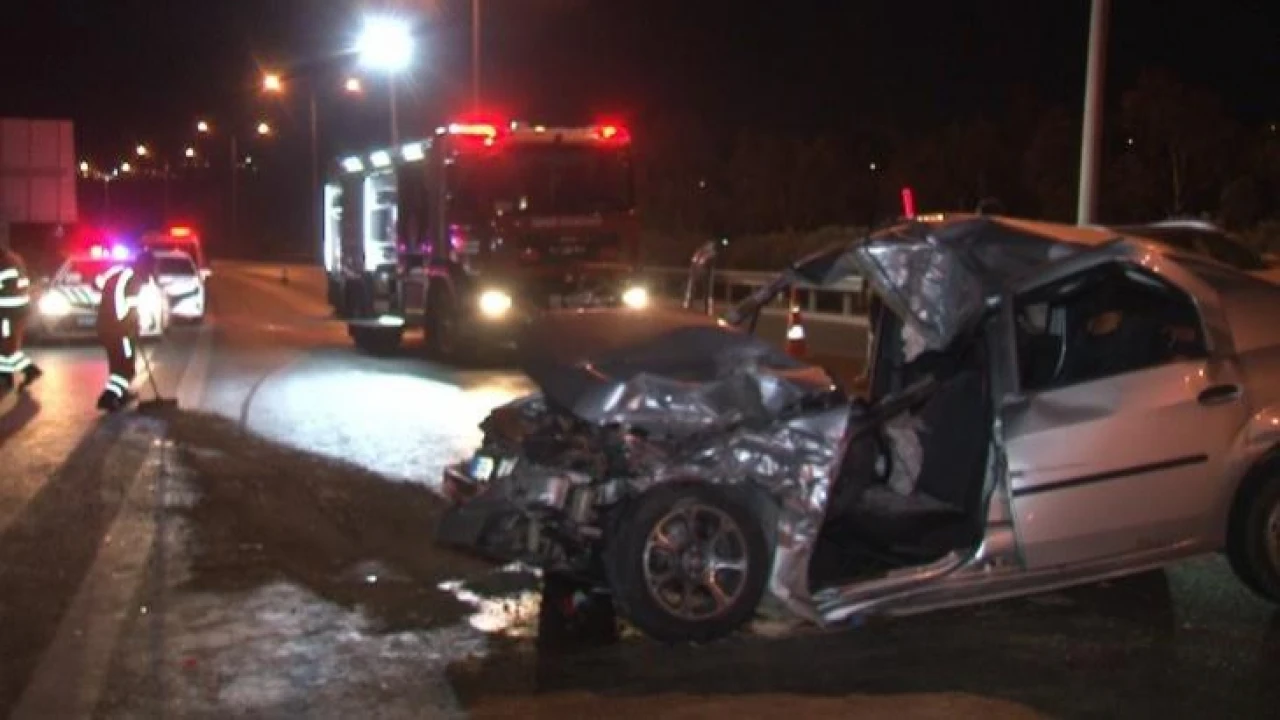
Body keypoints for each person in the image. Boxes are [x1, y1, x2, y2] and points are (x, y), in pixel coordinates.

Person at [95, 249, 157, 412]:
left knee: (117, 365)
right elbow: (131, 309)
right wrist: (133, 327)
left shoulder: (120, 274)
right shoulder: (133, 279)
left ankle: (121, 395)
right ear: (145, 266)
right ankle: (108, 397)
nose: (151, 273)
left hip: (105, 327)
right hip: (120, 331)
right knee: (127, 368)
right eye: (151, 268)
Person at [0, 245, 42, 393]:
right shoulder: (14, 259)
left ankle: (29, 370)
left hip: (8, 311)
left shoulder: (5, 264)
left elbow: (5, 286)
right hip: (17, 310)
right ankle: (5, 376)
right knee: (6, 345)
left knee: (7, 347)